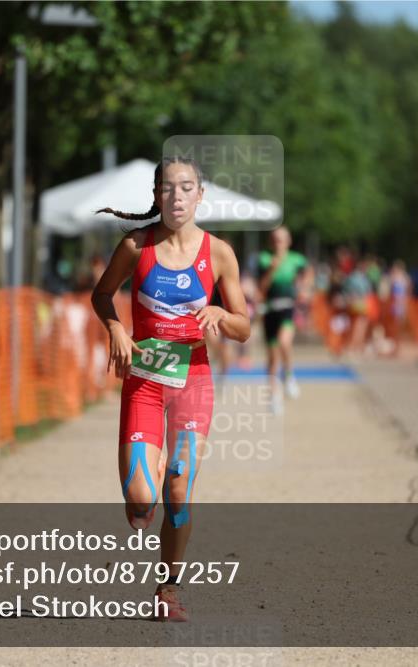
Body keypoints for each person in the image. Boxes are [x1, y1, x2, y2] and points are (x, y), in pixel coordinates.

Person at [91, 157, 250, 622]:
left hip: (193, 383)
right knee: (142, 502)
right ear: (156, 195)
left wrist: (223, 316)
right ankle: (148, 475)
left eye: (186, 188)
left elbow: (244, 328)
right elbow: (101, 294)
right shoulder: (135, 246)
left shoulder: (218, 253)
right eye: (167, 188)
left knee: (178, 492)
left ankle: (168, 592)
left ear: (200, 196)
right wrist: (116, 329)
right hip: (144, 383)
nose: (176, 197)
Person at [256, 227, 310, 413]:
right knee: (272, 357)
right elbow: (261, 288)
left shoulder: (297, 259)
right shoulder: (264, 258)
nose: (278, 243)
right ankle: (274, 395)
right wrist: (272, 269)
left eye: (282, 239)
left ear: (288, 241)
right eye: (275, 239)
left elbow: (308, 275)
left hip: (288, 307)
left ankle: (288, 375)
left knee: (284, 342)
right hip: (270, 309)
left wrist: (304, 289)